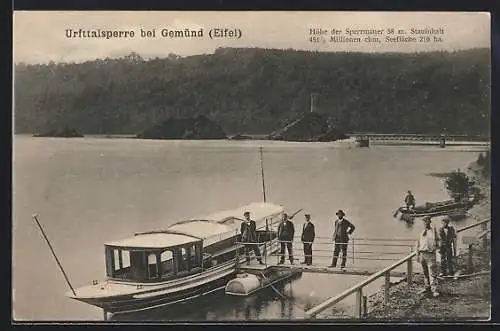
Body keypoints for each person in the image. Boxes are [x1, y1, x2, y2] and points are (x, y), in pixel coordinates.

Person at [415, 216, 440, 297]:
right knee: (425, 272)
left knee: (432, 273)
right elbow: (417, 243)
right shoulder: (421, 232)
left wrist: (436, 247)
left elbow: (439, 241)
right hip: (422, 254)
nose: (426, 223)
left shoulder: (434, 231)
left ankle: (434, 290)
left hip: (430, 254)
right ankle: (427, 288)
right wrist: (417, 254)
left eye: (427, 221)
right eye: (424, 222)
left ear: (430, 222)